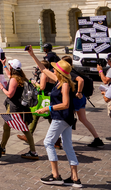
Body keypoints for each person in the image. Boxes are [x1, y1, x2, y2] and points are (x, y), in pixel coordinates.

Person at [26, 48, 82, 187]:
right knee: (68, 146)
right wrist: (32, 55)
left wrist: (48, 108)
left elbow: (65, 104)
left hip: (61, 117)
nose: (53, 70)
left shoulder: (64, 84)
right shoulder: (59, 80)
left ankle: (55, 175)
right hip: (64, 118)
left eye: (55, 68)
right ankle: (75, 178)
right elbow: (43, 69)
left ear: (59, 71)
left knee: (48, 142)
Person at [0, 59, 38, 160]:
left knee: (7, 127)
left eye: (9, 65)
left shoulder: (14, 79)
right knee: (24, 128)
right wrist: (4, 65)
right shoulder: (21, 77)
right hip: (22, 106)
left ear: (12, 67)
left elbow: (10, 94)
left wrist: (2, 88)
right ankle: (33, 151)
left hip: (14, 107)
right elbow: (10, 76)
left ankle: (2, 148)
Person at [60, 55, 104, 148]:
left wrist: (79, 92)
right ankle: (97, 139)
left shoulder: (70, 72)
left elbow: (81, 80)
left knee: (67, 120)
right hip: (81, 98)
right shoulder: (73, 70)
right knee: (83, 119)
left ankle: (63, 142)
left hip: (76, 98)